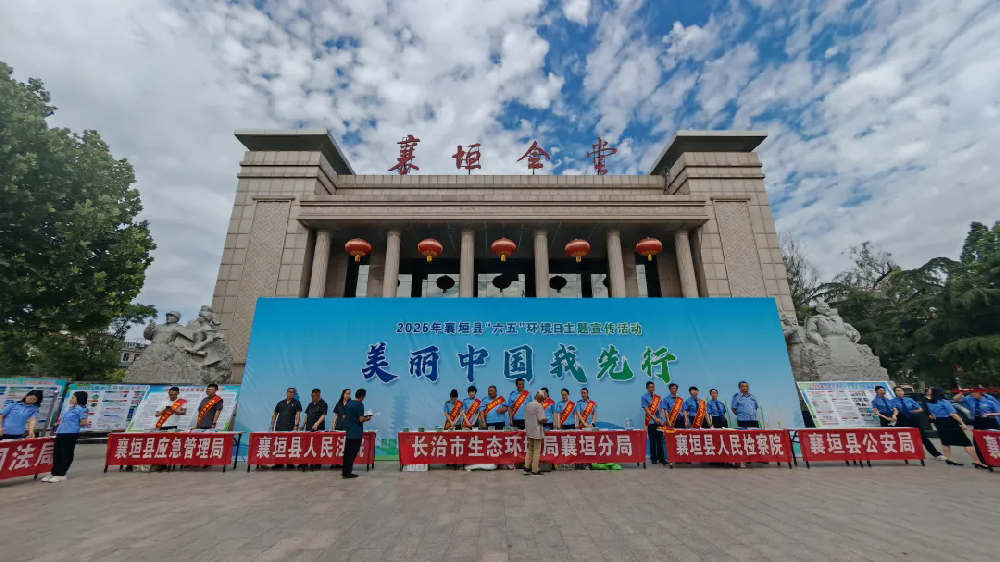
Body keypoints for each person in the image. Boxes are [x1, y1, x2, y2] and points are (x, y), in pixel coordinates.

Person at [925, 387, 985, 468]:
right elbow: (953, 414)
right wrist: (962, 423)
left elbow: (932, 414)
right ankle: (977, 461)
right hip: (949, 422)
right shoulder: (944, 402)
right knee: (966, 442)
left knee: (945, 441)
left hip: (939, 422)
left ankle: (949, 458)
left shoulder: (929, 403)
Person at [44, 391, 88, 483]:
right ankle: (54, 472)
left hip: (70, 434)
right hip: (61, 432)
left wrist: (73, 427)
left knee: (66, 453)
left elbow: (83, 422)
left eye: (73, 398)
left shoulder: (82, 409)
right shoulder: (71, 408)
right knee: (57, 453)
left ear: (79, 399)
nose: (71, 399)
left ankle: (61, 474)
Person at [891, 386, 944, 461]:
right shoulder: (893, 401)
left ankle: (936, 454)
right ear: (895, 393)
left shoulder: (909, 399)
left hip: (912, 418)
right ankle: (899, 454)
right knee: (900, 437)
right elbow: (894, 409)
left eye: (901, 390)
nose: (900, 392)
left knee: (922, 436)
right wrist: (894, 415)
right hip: (901, 418)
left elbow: (920, 409)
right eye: (898, 391)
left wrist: (913, 411)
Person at [953, 388, 1000, 466]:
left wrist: (989, 414)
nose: (973, 394)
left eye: (975, 392)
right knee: (977, 440)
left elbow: (998, 412)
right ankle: (981, 460)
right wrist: (962, 392)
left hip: (989, 421)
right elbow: (955, 399)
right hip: (977, 421)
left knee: (991, 440)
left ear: (980, 392)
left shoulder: (989, 400)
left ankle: (994, 459)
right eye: (971, 392)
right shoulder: (969, 399)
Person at [342, 388, 372, 478]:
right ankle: (347, 473)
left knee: (347, 453)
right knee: (352, 454)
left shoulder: (348, 403)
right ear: (362, 396)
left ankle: (344, 471)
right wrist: (367, 418)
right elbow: (361, 419)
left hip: (349, 432)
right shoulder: (359, 404)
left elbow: (345, 416)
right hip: (356, 433)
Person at [522, 391, 547, 476]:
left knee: (530, 448)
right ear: (540, 397)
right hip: (536, 430)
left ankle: (526, 467)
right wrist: (546, 419)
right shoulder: (539, 406)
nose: (543, 401)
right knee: (537, 450)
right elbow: (541, 419)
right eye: (543, 399)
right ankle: (535, 470)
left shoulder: (528, 405)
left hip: (529, 430)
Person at [641, 382, 666, 465]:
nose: (652, 388)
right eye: (650, 387)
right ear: (647, 388)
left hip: (659, 421)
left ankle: (661, 458)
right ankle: (653, 458)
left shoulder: (658, 397)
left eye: (653, 387)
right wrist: (655, 419)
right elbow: (646, 410)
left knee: (660, 440)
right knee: (652, 440)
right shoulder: (644, 397)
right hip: (651, 422)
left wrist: (660, 418)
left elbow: (662, 409)